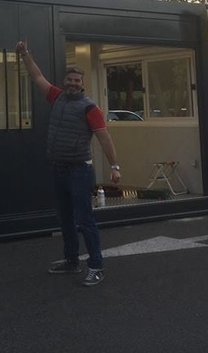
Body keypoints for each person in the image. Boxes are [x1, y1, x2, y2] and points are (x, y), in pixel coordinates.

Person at [15, 40, 121, 287]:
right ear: (65, 82)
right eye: (70, 79)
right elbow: (37, 75)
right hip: (58, 169)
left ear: (82, 84)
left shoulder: (89, 108)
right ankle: (72, 261)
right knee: (65, 219)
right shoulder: (57, 97)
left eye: (77, 81)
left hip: (79, 171)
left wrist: (115, 167)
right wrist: (25, 54)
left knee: (85, 220)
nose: (73, 83)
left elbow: (104, 138)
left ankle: (96, 266)